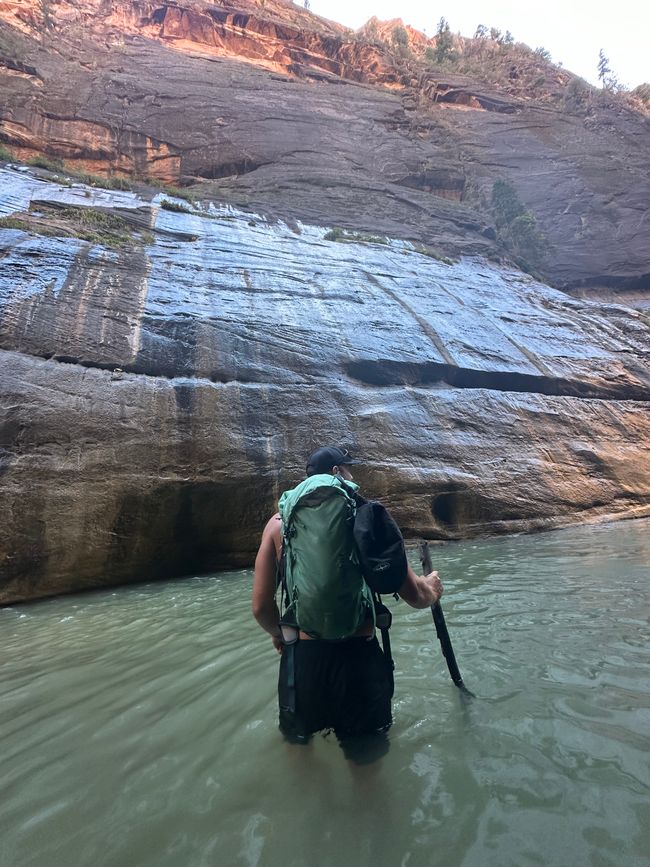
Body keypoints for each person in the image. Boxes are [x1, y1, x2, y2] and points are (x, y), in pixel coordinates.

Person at [252, 446, 443, 751]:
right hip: (358, 659)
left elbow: (261, 606)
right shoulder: (364, 513)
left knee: (300, 755)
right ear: (337, 472)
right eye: (349, 468)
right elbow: (415, 595)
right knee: (365, 767)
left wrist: (279, 634)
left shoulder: (279, 523)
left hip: (302, 661)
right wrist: (432, 589)